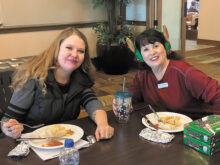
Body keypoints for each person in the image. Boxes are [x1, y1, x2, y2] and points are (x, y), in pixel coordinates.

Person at [1, 27, 114, 140]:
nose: (75, 54)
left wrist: (103, 125)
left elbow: (92, 102)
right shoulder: (33, 78)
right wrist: (11, 129)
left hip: (65, 142)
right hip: (32, 143)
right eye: (69, 48)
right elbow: (7, 121)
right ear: (57, 49)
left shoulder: (80, 78)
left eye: (81, 51)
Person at [113, 28, 220, 119]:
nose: (152, 52)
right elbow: (132, 97)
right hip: (165, 126)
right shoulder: (142, 75)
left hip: (195, 128)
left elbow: (217, 94)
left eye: (156, 46)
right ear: (140, 56)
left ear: (166, 47)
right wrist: (122, 102)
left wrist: (214, 125)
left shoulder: (185, 72)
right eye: (146, 49)